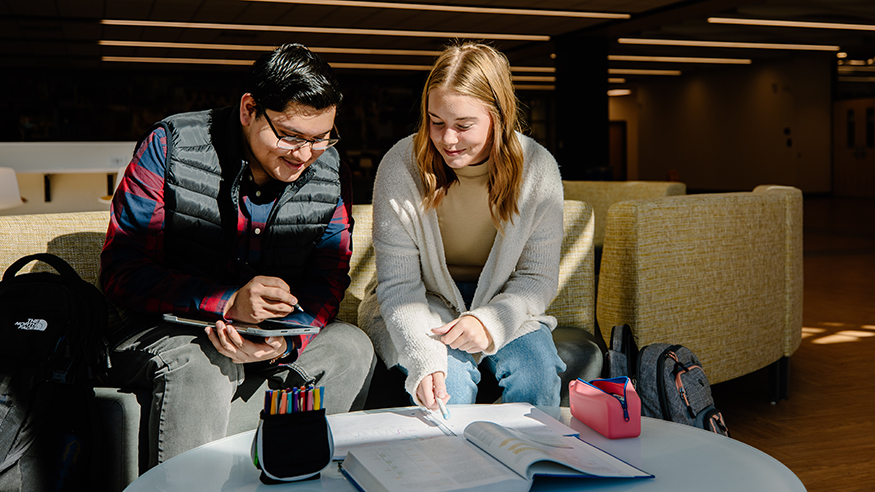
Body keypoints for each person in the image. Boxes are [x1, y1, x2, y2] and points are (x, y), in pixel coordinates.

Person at [99, 43, 375, 467]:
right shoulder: (170, 145)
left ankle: (284, 471)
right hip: (166, 334)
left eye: (321, 138)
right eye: (290, 135)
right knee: (203, 364)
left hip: (269, 340)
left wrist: (285, 342)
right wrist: (228, 303)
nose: (305, 155)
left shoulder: (330, 168)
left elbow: (329, 279)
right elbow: (122, 271)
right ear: (250, 109)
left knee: (352, 346)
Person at [358, 42, 566, 412]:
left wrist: (490, 322)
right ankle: (452, 469)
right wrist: (423, 357)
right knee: (446, 382)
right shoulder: (400, 166)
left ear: (498, 116)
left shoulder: (539, 169)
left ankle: (531, 462)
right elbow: (400, 286)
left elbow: (537, 277)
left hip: (502, 301)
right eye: (436, 122)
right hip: (420, 300)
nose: (447, 140)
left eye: (463, 125)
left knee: (537, 371)